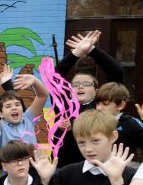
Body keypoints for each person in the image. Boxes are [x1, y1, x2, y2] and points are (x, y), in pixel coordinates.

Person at [53, 30, 125, 167]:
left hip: (98, 167)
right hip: (65, 171)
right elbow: (54, 76)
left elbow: (116, 71)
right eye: (75, 85)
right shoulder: (62, 106)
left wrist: (92, 50)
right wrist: (76, 54)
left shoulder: (102, 107)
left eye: (86, 84)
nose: (80, 87)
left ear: (96, 91)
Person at [95, 83, 143, 154]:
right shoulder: (91, 122)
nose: (99, 108)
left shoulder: (130, 123)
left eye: (105, 104)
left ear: (120, 105)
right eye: (97, 104)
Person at [0, 73, 49, 149]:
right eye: (8, 106)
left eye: (17, 104)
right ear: (0, 114)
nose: (14, 108)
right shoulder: (0, 127)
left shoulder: (28, 118)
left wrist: (34, 81)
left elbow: (43, 95)